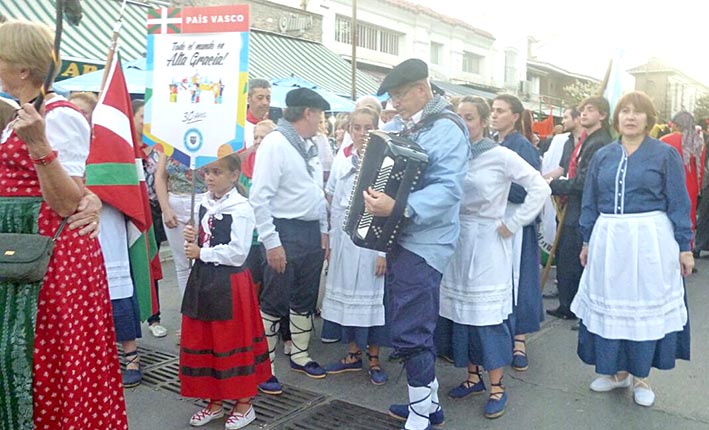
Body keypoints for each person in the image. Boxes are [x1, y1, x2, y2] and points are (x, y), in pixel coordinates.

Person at [0, 20, 126, 429]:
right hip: (20, 253)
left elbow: (67, 201)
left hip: (50, 259)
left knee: (51, 356)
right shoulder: (15, 113)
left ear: (21, 69)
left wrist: (39, 146)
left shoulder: (60, 116)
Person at [364, 58, 470, 430]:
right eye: (391, 97)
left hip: (426, 242)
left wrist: (400, 206)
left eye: (399, 96)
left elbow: (450, 188)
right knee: (406, 320)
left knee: (412, 327)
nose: (394, 104)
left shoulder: (446, 129)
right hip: (405, 239)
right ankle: (428, 403)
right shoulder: (406, 125)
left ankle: (422, 412)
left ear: (422, 90)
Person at [571, 91, 693, 408]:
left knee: (642, 305)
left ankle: (641, 376)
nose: (630, 116)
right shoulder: (604, 155)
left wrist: (684, 246)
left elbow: (680, 202)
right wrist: (586, 239)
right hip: (609, 239)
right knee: (614, 305)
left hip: (650, 240)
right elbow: (591, 201)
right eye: (624, 111)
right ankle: (618, 373)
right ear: (617, 118)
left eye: (637, 112)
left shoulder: (665, 155)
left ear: (648, 119)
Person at [439, 96, 549, 419]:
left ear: (484, 122)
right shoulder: (452, 155)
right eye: (458, 117)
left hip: (488, 242)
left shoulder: (501, 156)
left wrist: (513, 223)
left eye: (469, 117)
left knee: (486, 317)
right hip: (457, 242)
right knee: (462, 315)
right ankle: (472, 378)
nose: (463, 123)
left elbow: (539, 187)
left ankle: (497, 386)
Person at [180, 154, 271, 429]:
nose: (209, 177)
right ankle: (215, 400)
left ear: (234, 175)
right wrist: (193, 236)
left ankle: (244, 403)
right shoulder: (205, 202)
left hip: (229, 283)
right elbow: (205, 239)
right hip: (203, 279)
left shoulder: (241, 207)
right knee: (206, 338)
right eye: (207, 172)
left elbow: (238, 253)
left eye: (216, 172)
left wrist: (201, 251)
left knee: (228, 339)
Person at [250, 88, 331, 395]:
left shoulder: (308, 145)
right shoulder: (276, 143)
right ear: (307, 113)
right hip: (284, 231)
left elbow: (316, 193)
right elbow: (260, 197)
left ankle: (299, 354)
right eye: (319, 116)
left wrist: (323, 232)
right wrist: (272, 242)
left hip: (310, 232)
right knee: (273, 300)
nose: (321, 123)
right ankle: (264, 365)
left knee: (304, 296)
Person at [321, 107, 389, 385]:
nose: (362, 134)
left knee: (373, 299)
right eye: (357, 128)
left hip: (372, 242)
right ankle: (352, 353)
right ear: (349, 130)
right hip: (346, 241)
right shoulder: (343, 158)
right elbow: (332, 197)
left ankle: (373, 357)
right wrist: (333, 239)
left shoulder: (385, 160)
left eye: (367, 128)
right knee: (347, 294)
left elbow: (388, 209)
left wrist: (384, 251)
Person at [547, 96, 613, 322]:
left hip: (584, 205)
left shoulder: (599, 142)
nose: (584, 114)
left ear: (602, 115)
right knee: (568, 256)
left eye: (590, 110)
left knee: (574, 257)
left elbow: (585, 181)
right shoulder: (587, 139)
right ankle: (569, 303)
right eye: (582, 110)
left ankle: (575, 307)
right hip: (576, 203)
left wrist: (554, 185)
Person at [491, 94, 543, 372]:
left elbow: (527, 189)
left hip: (515, 219)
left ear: (514, 116)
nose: (495, 115)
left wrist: (495, 186)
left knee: (519, 278)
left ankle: (519, 339)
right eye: (493, 110)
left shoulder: (521, 145)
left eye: (501, 111)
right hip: (494, 220)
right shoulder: (491, 144)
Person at [155, 147, 207, 302]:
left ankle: (207, 312)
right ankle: (189, 314)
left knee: (204, 259)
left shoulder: (209, 139)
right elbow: (160, 176)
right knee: (183, 263)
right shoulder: (170, 142)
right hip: (174, 203)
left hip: (203, 200)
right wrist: (165, 208)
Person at [134, 99, 168, 338]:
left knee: (153, 263)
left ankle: (154, 317)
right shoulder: (125, 147)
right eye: (141, 116)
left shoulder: (159, 146)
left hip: (157, 210)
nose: (146, 121)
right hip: (135, 212)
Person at [661, 111, 704, 236]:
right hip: (691, 188)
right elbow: (699, 171)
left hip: (669, 186)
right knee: (687, 223)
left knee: (668, 223)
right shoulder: (699, 143)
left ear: (676, 125)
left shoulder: (664, 141)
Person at [243, 78, 271, 151]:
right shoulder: (239, 128)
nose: (265, 102)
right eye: (260, 98)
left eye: (268, 98)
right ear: (248, 98)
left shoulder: (275, 125)